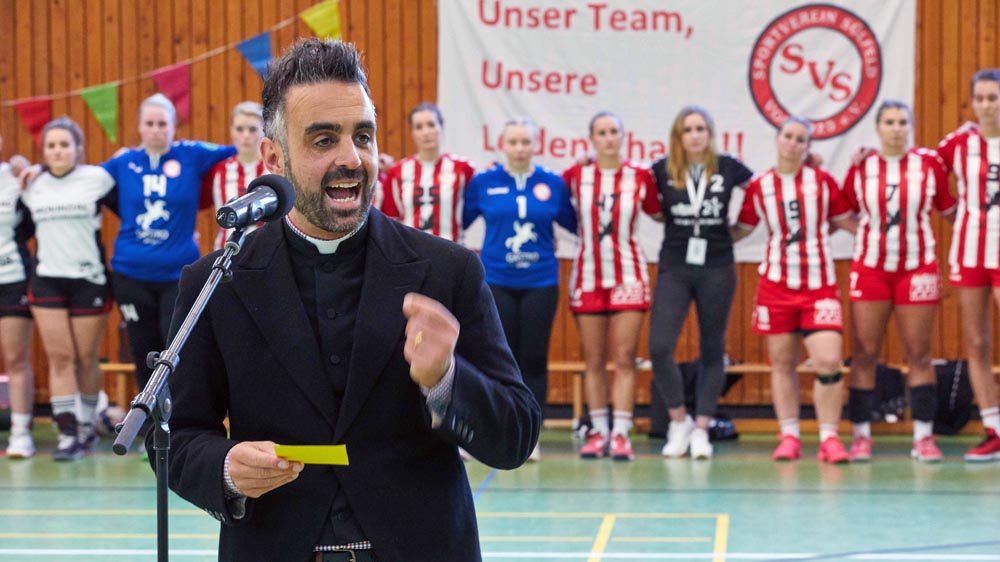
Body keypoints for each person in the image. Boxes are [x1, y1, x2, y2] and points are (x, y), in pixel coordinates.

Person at [152, 39, 539, 562]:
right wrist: (224, 468)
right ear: (274, 157)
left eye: (363, 135)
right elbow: (175, 434)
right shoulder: (217, 280)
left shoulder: (449, 271)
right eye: (322, 140)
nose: (351, 159)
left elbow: (515, 436)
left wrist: (446, 382)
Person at [733, 116, 857, 463]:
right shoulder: (760, 187)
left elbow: (848, 221)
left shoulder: (822, 182)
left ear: (807, 147)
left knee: (829, 360)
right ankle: (789, 435)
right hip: (776, 285)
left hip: (818, 284)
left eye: (800, 139)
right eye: (787, 136)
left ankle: (829, 437)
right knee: (782, 363)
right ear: (777, 139)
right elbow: (741, 228)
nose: (792, 143)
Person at [842, 100, 956, 462]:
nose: (896, 128)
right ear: (877, 128)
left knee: (920, 353)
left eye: (902, 122)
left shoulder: (928, 165)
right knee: (864, 353)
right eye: (889, 122)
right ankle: (861, 435)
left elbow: (950, 209)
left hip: (917, 267)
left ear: (911, 126)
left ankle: (923, 436)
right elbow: (840, 210)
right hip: (871, 269)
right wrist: (864, 234)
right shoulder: (861, 168)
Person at [102, 94, 236, 392]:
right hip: (130, 274)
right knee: (142, 349)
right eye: (149, 123)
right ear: (139, 127)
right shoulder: (124, 162)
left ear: (174, 126)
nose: (156, 130)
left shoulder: (191, 154)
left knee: (176, 349)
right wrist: (31, 170)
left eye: (162, 123)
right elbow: (83, 180)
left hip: (178, 274)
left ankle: (178, 426)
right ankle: (148, 430)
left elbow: (241, 151)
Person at [463, 117, 577, 461]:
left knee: (533, 359)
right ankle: (488, 432)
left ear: (535, 145)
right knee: (495, 360)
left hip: (540, 282)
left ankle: (531, 435)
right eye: (513, 142)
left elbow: (572, 223)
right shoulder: (483, 182)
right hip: (496, 280)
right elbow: (461, 220)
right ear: (502, 145)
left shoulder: (552, 184)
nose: (519, 148)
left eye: (525, 142)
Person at [648, 106, 753, 459]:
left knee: (713, 349)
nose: (695, 135)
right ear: (678, 136)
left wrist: (738, 232)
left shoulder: (727, 167)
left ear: (710, 133)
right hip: (675, 265)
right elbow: (649, 204)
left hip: (717, 266)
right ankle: (679, 420)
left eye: (701, 128)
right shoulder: (663, 170)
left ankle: (702, 429)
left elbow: (765, 190)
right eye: (688, 129)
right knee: (659, 346)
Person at [561, 112, 660, 461]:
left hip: (628, 274)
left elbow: (660, 212)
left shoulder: (641, 176)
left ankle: (621, 433)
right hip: (588, 275)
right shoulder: (575, 176)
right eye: (601, 132)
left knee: (623, 359)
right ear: (591, 138)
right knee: (594, 360)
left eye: (613, 131)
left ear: (623, 136)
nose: (608, 138)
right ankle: (598, 431)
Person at [21, 117, 117, 460]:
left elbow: (133, 214)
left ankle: (88, 425)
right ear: (43, 151)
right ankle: (67, 434)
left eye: (65, 144)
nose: (58, 151)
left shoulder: (98, 179)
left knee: (84, 358)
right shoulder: (32, 185)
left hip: (88, 280)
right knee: (60, 358)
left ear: (78, 149)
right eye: (51, 145)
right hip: (47, 279)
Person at [937, 68, 1000, 461]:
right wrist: (951, 211)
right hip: (969, 249)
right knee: (976, 342)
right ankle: (994, 427)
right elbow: (921, 167)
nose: (986, 105)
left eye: (993, 98)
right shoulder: (959, 142)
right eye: (979, 98)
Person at [381, 103, 474, 242]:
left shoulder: (463, 168)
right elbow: (391, 218)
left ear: (441, 128)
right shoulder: (397, 172)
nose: (426, 132)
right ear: (412, 133)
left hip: (452, 252)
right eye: (419, 127)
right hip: (411, 252)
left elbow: (474, 205)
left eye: (431, 124)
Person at [0, 135, 35, 458]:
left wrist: (30, 168)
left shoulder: (14, 179)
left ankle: (21, 432)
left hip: (11, 279)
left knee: (15, 358)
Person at [207, 101, 266, 250]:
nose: (245, 135)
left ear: (264, 131)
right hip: (228, 251)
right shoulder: (220, 170)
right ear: (232, 131)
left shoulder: (275, 168)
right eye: (240, 129)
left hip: (266, 251)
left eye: (252, 129)